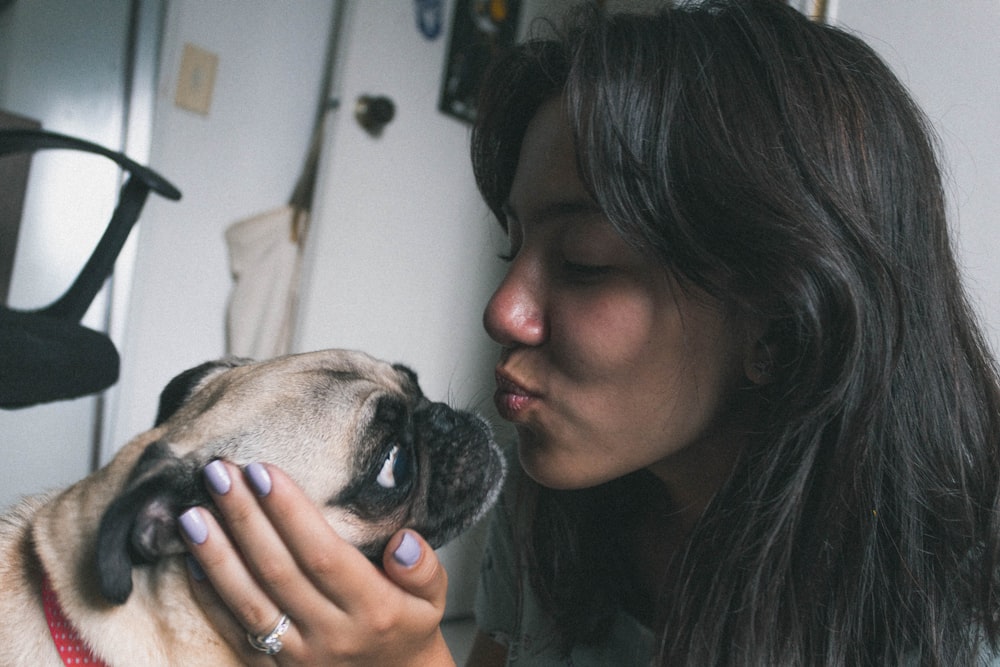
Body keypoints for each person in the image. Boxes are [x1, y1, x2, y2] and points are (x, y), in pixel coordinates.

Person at [179, 1, 1000, 664]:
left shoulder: (957, 608)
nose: (502, 309)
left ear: (780, 326)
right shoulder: (554, 497)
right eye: (515, 245)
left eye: (583, 260)